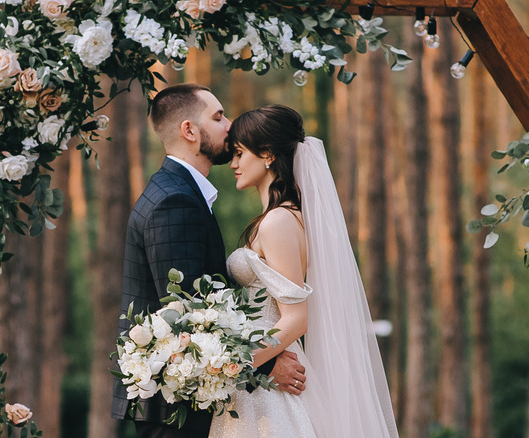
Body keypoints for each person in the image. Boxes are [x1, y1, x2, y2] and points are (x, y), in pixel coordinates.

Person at [111, 85, 308, 438]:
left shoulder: (178, 193)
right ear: (189, 131)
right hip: (178, 407)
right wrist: (263, 368)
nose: (229, 125)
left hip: (197, 396)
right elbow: (187, 314)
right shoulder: (175, 201)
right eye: (218, 117)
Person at [210, 105, 399, 437]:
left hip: (267, 376)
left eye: (240, 154)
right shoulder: (280, 217)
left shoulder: (279, 221)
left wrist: (234, 365)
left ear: (267, 154)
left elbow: (296, 318)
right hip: (264, 365)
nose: (234, 164)